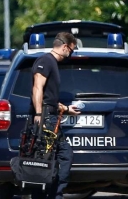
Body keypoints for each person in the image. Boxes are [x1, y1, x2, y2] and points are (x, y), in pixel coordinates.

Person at [30, 32, 81, 199]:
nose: (70, 55)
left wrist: (66, 109)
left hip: (51, 117)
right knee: (43, 161)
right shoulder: (46, 61)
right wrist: (39, 114)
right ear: (65, 47)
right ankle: (47, 195)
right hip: (46, 119)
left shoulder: (52, 63)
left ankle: (54, 195)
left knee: (61, 156)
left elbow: (49, 97)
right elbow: (38, 88)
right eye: (71, 51)